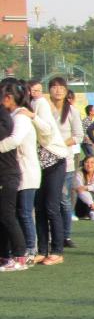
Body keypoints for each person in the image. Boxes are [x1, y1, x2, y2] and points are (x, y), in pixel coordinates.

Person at [0, 79, 38, 268]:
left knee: (16, 214)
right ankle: (9, 255)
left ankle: (23, 254)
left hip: (18, 172)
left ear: (8, 97)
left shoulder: (19, 117)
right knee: (11, 214)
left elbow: (14, 141)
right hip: (14, 171)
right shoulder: (12, 115)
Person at [31, 82, 68, 265]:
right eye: (32, 90)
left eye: (38, 90)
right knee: (39, 208)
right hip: (39, 166)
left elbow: (47, 130)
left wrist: (32, 117)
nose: (35, 93)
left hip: (55, 162)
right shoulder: (27, 106)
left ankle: (57, 251)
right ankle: (42, 250)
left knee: (52, 207)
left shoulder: (40, 104)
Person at [48, 77, 83, 248]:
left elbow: (78, 136)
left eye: (61, 87)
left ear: (66, 90)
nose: (58, 90)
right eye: (54, 87)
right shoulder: (45, 109)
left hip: (65, 161)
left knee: (63, 199)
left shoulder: (72, 111)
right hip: (46, 161)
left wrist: (60, 145)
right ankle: (51, 235)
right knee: (49, 199)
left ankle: (65, 235)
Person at [73, 154, 94, 221]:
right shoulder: (78, 174)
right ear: (83, 164)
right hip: (81, 205)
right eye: (87, 162)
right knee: (84, 191)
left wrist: (87, 187)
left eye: (92, 162)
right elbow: (80, 191)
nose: (89, 165)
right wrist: (93, 205)